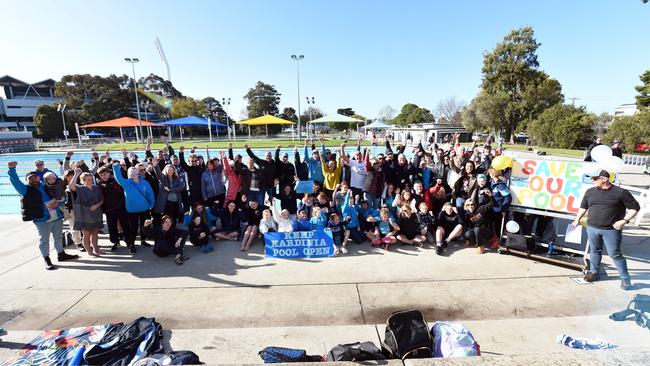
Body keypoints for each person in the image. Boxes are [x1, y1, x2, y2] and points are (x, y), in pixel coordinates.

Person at [571, 169, 640, 290]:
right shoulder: (590, 192)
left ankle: (625, 278)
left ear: (604, 179)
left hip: (611, 230)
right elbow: (583, 206)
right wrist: (577, 219)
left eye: (594, 178)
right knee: (594, 251)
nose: (592, 181)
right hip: (592, 227)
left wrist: (624, 221)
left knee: (615, 254)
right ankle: (594, 273)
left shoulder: (621, 192)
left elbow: (635, 207)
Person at [8, 161, 78, 270]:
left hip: (56, 217)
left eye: (35, 177)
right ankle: (46, 258)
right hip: (41, 219)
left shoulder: (46, 185)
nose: (33, 180)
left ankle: (61, 254)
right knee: (44, 240)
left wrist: (58, 202)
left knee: (58, 237)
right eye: (30, 178)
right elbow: (16, 182)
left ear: (38, 178)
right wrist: (12, 170)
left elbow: (59, 197)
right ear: (27, 181)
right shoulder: (25, 190)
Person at [112, 162, 155, 254]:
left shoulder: (145, 182)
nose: (134, 174)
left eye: (135, 172)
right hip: (132, 211)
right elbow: (118, 177)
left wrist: (151, 204)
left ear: (138, 173)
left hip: (145, 209)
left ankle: (143, 241)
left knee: (145, 226)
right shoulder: (126, 183)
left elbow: (150, 194)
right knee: (133, 229)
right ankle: (131, 244)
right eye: (132, 173)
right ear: (129, 174)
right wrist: (115, 167)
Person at [69, 168, 104, 256]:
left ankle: (96, 249)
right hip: (84, 215)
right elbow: (71, 186)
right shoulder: (79, 189)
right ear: (83, 180)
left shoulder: (96, 188)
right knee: (86, 235)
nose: (91, 181)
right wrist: (76, 174)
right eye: (88, 179)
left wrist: (96, 205)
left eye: (91, 179)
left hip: (96, 214)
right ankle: (90, 252)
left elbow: (102, 200)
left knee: (95, 234)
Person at [96, 166, 129, 252]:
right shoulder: (99, 184)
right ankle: (115, 242)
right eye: (101, 175)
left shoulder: (115, 181)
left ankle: (129, 241)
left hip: (121, 207)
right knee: (112, 227)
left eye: (105, 174)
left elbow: (123, 192)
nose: (104, 176)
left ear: (109, 173)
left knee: (125, 225)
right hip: (109, 209)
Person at [152, 160, 185, 224]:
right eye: (169, 170)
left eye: (171, 170)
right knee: (167, 218)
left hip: (176, 202)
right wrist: (155, 166)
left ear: (174, 171)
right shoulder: (163, 178)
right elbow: (158, 174)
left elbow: (181, 188)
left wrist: (170, 189)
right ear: (166, 170)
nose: (170, 171)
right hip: (167, 202)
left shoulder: (177, 179)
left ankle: (173, 231)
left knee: (174, 218)